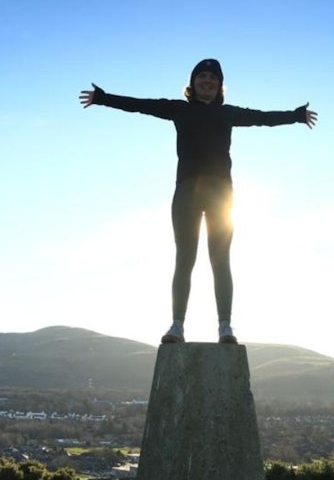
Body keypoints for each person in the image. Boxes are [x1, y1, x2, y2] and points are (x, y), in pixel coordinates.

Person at [80, 58, 317, 344]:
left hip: (221, 196)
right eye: (202, 76)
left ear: (220, 86)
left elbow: (263, 118)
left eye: (213, 78)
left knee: (220, 260)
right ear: (192, 83)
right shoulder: (179, 109)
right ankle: (177, 326)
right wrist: (104, 98)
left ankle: (225, 327)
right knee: (185, 259)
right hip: (187, 193)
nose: (207, 81)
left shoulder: (228, 113)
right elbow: (141, 104)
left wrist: (296, 115)